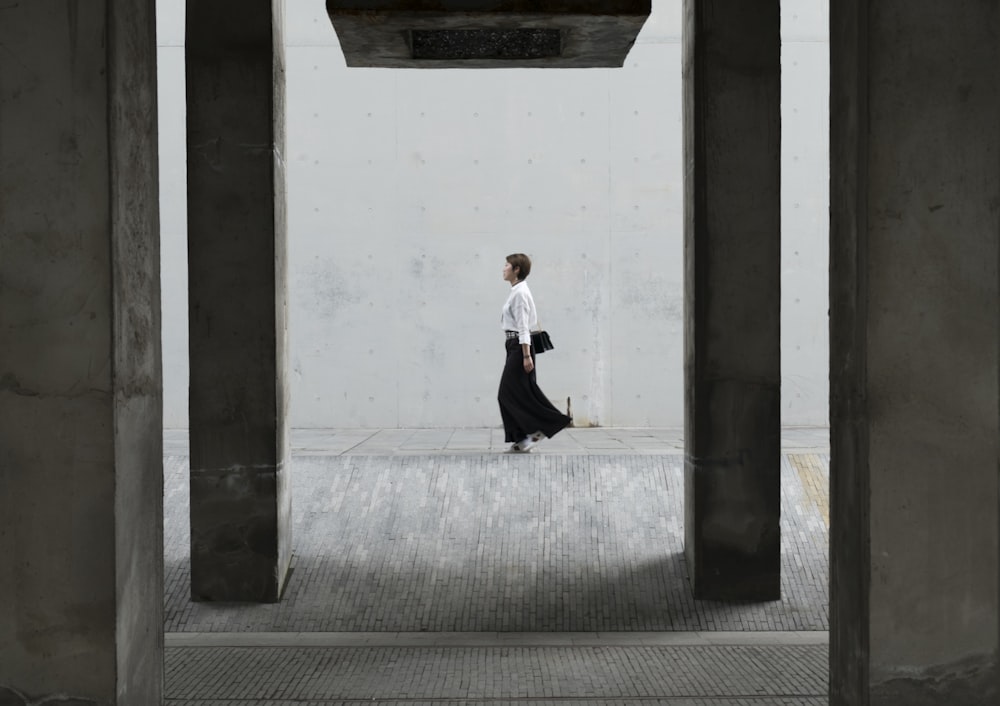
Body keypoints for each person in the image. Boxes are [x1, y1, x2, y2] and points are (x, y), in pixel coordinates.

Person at [498, 253, 572, 452]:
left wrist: (526, 355)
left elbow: (523, 327)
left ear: (516, 270)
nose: (503, 268)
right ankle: (525, 438)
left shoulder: (520, 293)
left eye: (507, 265)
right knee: (523, 391)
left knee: (507, 393)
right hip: (514, 345)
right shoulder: (516, 291)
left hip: (519, 346)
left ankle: (544, 426)